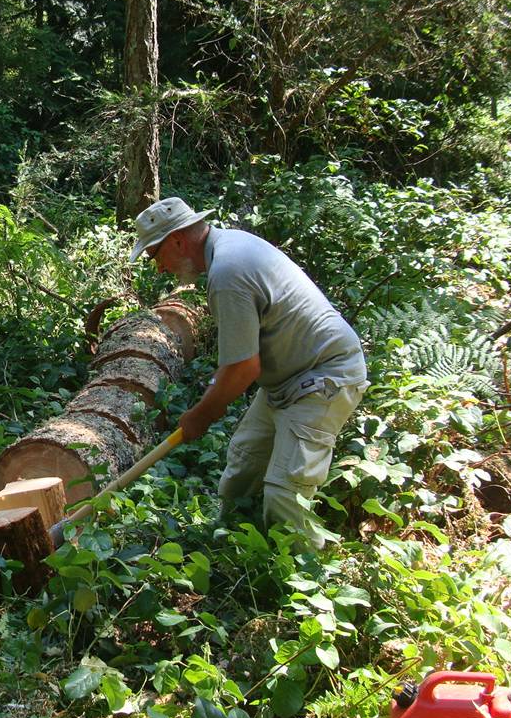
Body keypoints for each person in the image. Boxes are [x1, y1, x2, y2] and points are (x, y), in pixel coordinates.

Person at [130, 196, 368, 548]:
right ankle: (227, 552)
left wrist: (202, 414)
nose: (160, 268)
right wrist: (212, 397)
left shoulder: (227, 273)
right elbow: (239, 359)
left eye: (155, 255)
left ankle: (304, 578)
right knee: (242, 468)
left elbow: (244, 367)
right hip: (285, 380)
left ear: (177, 240)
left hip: (323, 376)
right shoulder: (228, 250)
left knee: (285, 495)